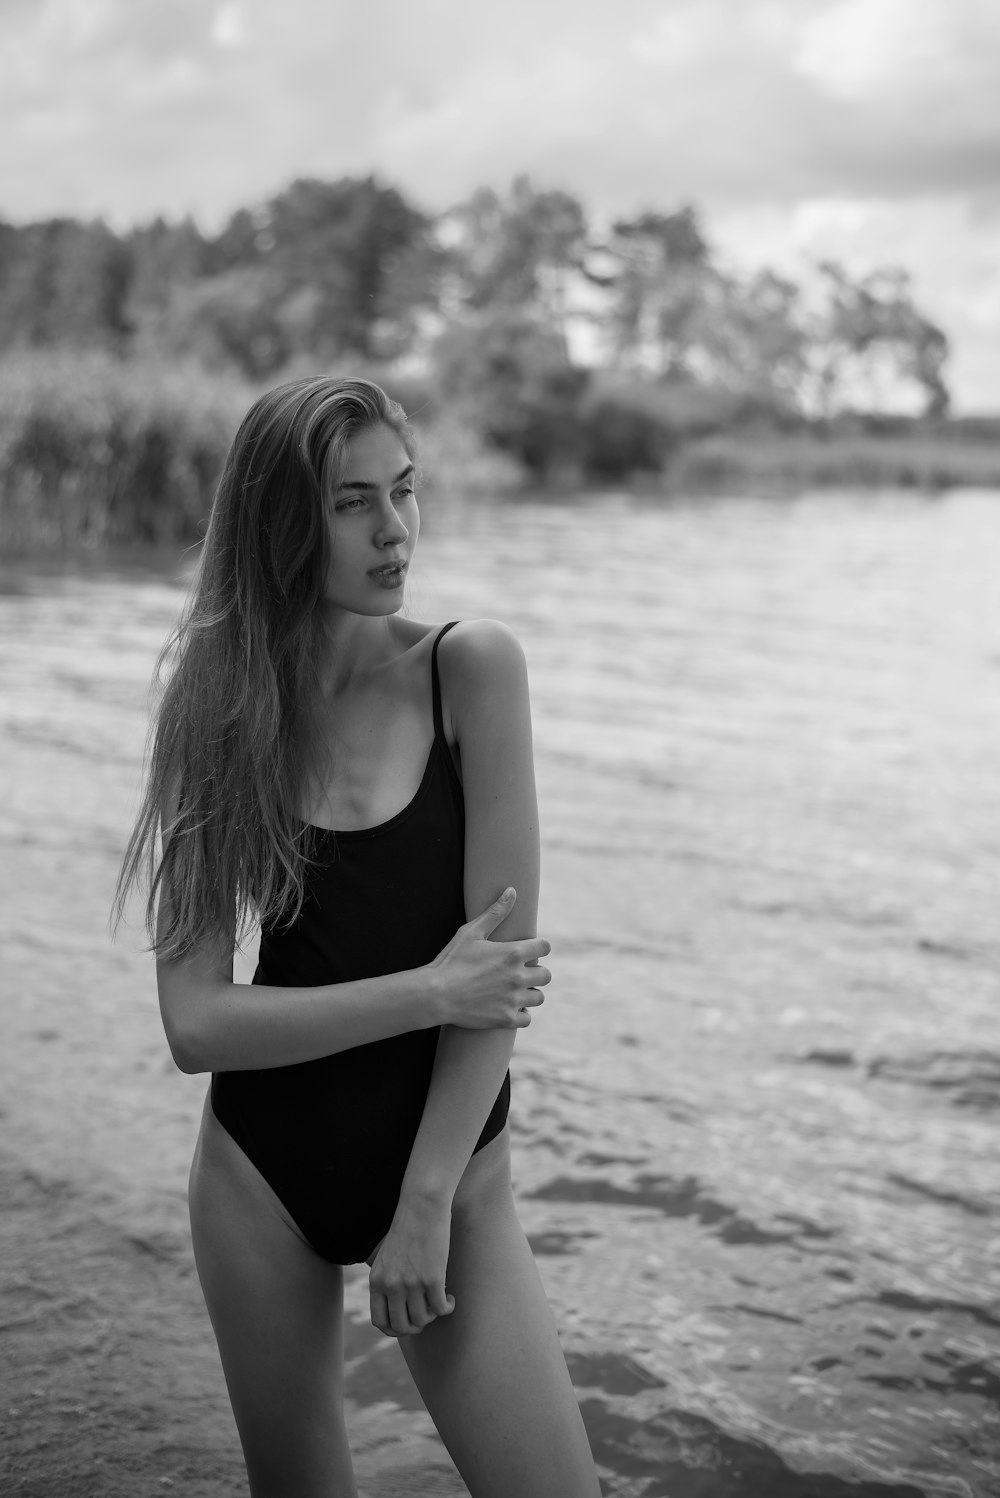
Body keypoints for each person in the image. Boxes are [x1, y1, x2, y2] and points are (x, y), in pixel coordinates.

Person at [116, 377, 602, 1498]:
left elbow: (505, 983)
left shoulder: (469, 671)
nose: (395, 530)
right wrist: (427, 990)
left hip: (448, 1174)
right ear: (283, 521)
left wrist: (426, 1201)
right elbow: (196, 1022)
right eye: (352, 502)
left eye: (405, 491)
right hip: (259, 1177)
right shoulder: (216, 704)